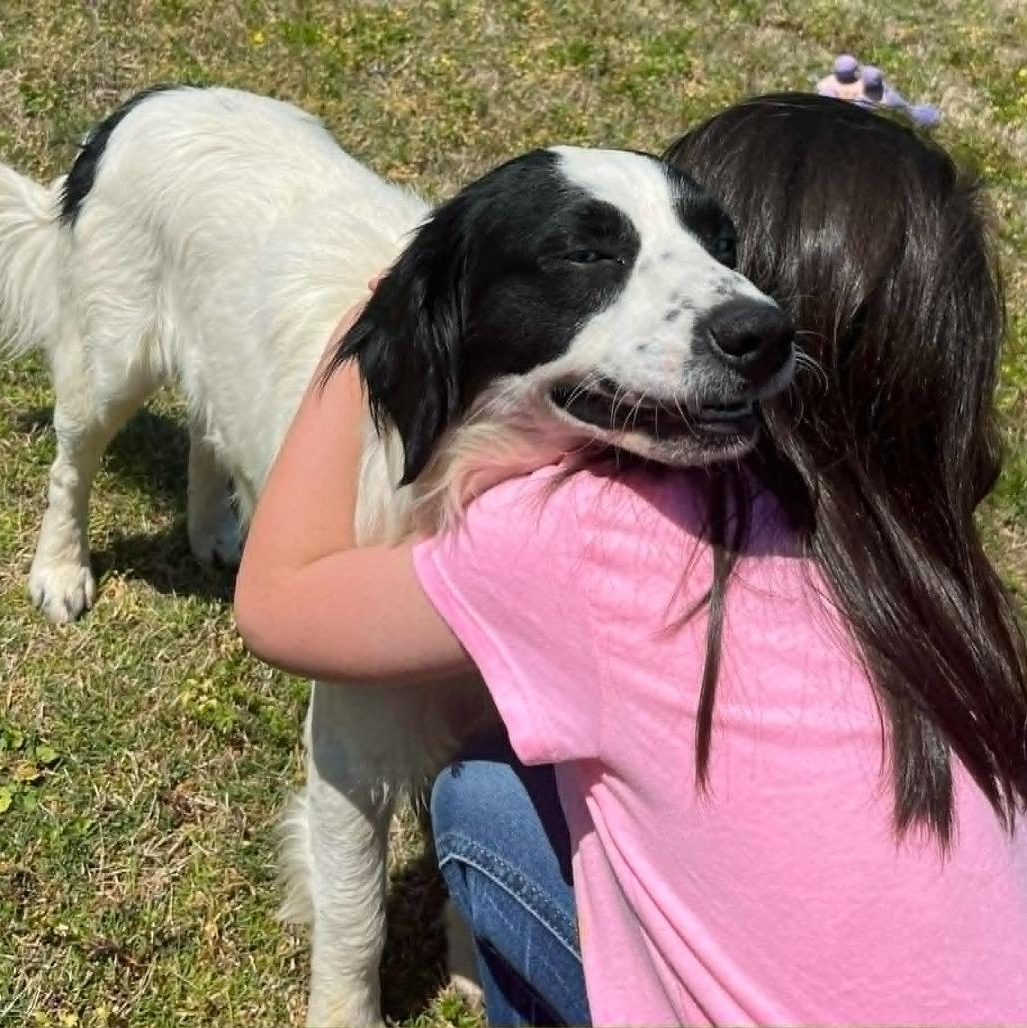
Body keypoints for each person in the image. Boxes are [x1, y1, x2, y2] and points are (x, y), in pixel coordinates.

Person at [234, 93, 1027, 1026]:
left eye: (719, 247)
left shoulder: (590, 533)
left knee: (481, 797)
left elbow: (279, 603)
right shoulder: (925, 569)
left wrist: (377, 320)